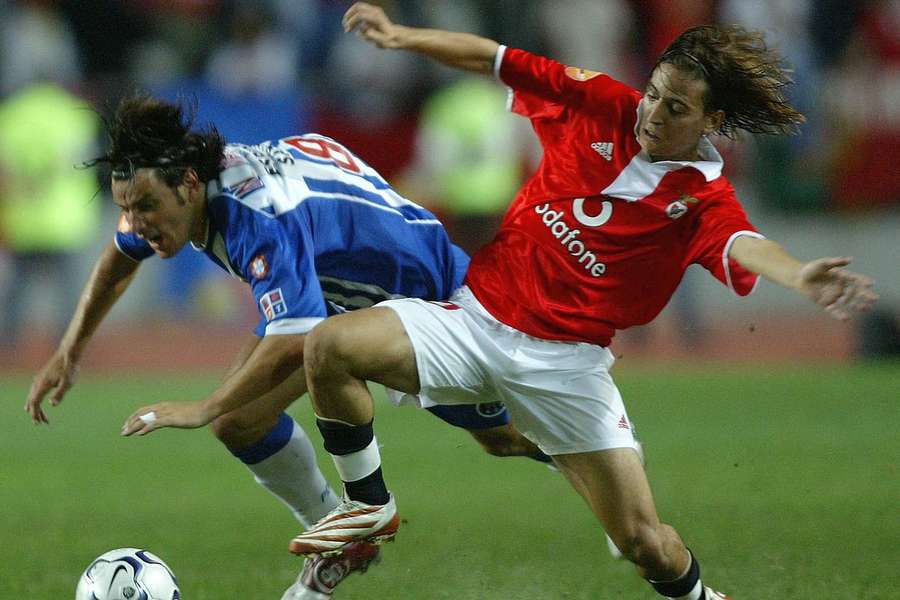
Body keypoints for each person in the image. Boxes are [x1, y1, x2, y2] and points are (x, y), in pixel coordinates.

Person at [288, 4, 880, 600]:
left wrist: (801, 275)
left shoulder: (703, 198)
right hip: (473, 320)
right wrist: (401, 36)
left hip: (567, 365)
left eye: (675, 109)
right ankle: (369, 508)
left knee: (644, 543)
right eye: (653, 94)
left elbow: (744, 244)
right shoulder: (602, 103)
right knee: (331, 346)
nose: (652, 113)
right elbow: (496, 59)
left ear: (712, 119)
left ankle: (702, 597)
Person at [23, 95, 551, 600]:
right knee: (242, 419)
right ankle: (344, 540)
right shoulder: (176, 185)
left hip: (433, 295)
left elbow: (295, 334)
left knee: (505, 437)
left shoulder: (253, 212)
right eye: (126, 208)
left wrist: (200, 406)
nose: (136, 222)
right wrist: (70, 350)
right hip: (341, 301)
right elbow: (120, 255)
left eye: (144, 208)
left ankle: (604, 463)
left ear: (187, 185)